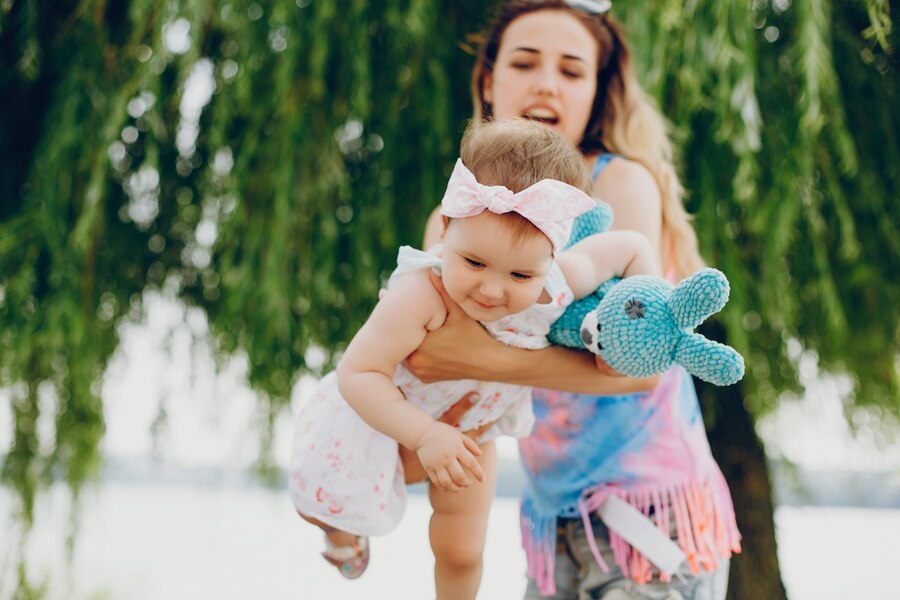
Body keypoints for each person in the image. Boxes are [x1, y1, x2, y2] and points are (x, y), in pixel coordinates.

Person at [404, 2, 741, 599]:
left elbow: (635, 371)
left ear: (596, 90)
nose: (545, 82)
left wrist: (476, 359)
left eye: (571, 70)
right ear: (488, 80)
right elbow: (440, 381)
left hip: (649, 516)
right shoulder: (456, 222)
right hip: (551, 519)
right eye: (526, 62)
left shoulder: (617, 185)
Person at [289, 118, 661, 600]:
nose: (491, 289)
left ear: (552, 256)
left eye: (521, 275)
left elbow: (634, 249)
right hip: (378, 415)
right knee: (324, 501)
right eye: (474, 262)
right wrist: (423, 434)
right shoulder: (422, 291)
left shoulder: (560, 279)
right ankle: (340, 540)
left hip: (474, 429)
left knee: (462, 549)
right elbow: (358, 373)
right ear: (446, 228)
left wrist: (630, 332)